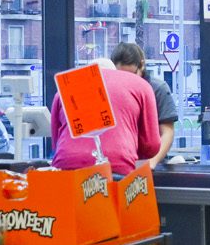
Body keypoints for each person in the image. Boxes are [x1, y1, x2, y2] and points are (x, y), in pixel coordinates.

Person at [48, 42, 161, 176]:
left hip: (66, 168)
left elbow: (55, 141)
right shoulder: (141, 85)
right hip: (117, 167)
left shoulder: (66, 88)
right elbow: (151, 146)